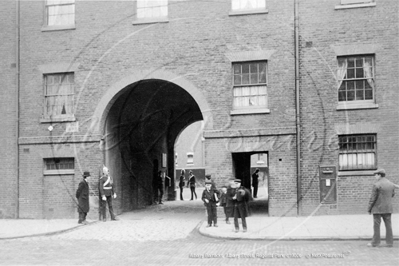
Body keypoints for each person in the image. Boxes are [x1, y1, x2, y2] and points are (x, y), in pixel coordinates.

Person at [367, 169, 395, 247]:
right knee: (388, 225)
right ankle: (390, 242)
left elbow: (373, 198)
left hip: (377, 209)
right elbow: (392, 195)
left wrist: (369, 208)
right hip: (388, 208)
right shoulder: (390, 184)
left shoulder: (376, 185)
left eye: (375, 175)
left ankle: (375, 242)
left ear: (379, 175)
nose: (375, 176)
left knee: (376, 226)